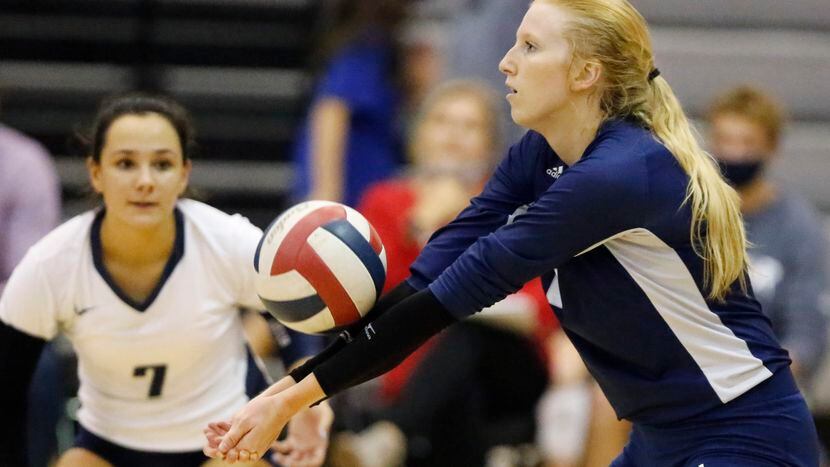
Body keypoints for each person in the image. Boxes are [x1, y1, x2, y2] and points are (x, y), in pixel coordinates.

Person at [206, 1, 821, 465]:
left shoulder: (618, 174)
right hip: (663, 435)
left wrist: (288, 400)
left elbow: (452, 298)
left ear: (584, 74)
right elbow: (423, 281)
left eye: (529, 47)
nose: (506, 61)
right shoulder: (539, 155)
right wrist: (301, 393)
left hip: (743, 430)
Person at [0, 94, 331, 467]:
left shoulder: (228, 241)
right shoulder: (51, 264)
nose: (145, 181)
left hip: (225, 445)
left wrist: (306, 399)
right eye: (125, 163)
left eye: (162, 164)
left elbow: (292, 319)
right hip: (105, 449)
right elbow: (10, 387)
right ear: (96, 173)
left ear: (184, 173)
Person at [707, 85, 828, 382]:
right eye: (725, 141)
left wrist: (766, 376)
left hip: (767, 376)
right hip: (696, 370)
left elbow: (806, 334)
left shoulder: (799, 228)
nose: (735, 154)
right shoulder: (691, 217)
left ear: (771, 147)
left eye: (748, 142)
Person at [291, 0, 407, 207]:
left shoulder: (377, 47)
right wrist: (326, 193)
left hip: (367, 197)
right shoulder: (365, 48)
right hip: (349, 201)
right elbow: (331, 111)